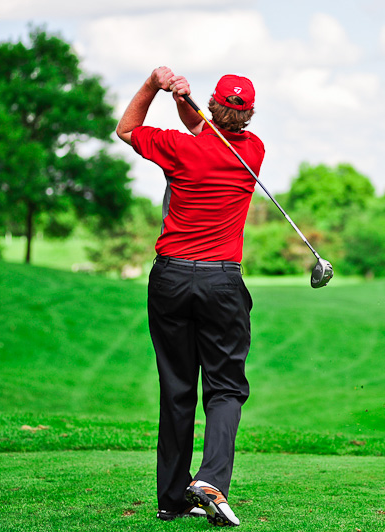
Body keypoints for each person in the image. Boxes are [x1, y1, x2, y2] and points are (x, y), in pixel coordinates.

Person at [116, 66, 264, 527]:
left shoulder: (180, 148)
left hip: (170, 279)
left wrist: (154, 86)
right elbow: (208, 130)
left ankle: (171, 498)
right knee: (225, 388)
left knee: (178, 388)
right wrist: (184, 100)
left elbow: (127, 130)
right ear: (249, 114)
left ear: (213, 106)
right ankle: (211, 480)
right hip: (222, 283)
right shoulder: (253, 152)